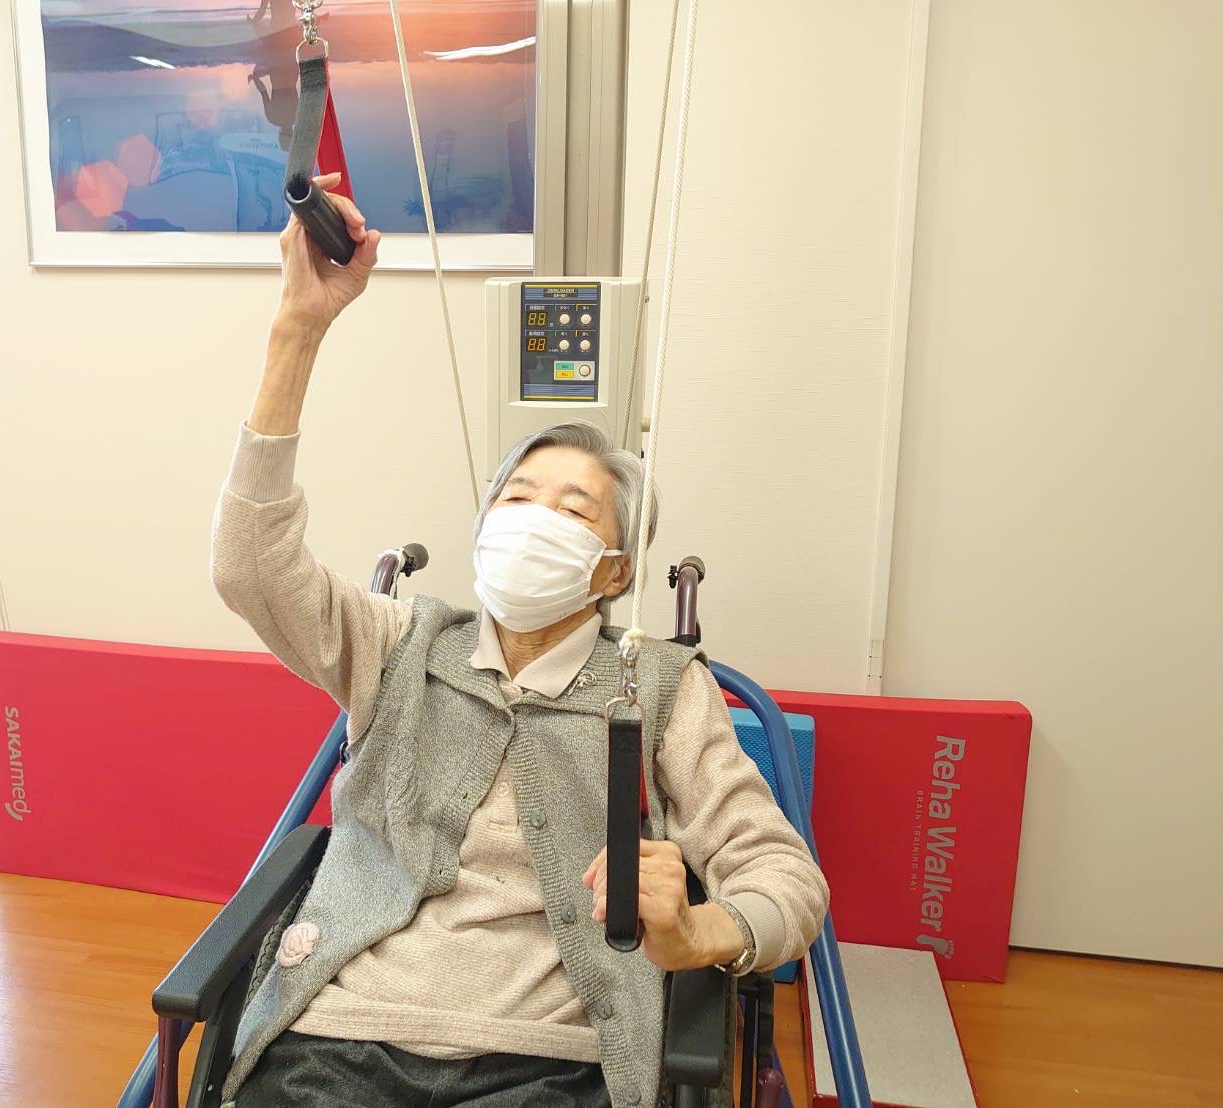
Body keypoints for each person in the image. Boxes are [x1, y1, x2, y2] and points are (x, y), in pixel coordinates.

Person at [211, 174, 829, 1107]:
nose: (535, 519)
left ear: (613, 571)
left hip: (553, 1064)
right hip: (339, 1038)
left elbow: (784, 876)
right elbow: (250, 568)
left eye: (573, 509)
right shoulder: (399, 642)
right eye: (517, 499)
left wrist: (701, 932)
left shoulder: (658, 686)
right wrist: (296, 332)